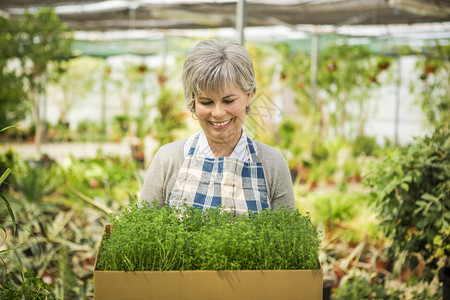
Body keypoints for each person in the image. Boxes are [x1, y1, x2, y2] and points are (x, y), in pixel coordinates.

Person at [140, 39, 295, 216]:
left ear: (248, 96)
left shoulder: (272, 164)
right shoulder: (168, 160)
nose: (218, 112)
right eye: (206, 102)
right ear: (193, 101)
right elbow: (144, 234)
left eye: (229, 100)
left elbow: (287, 240)